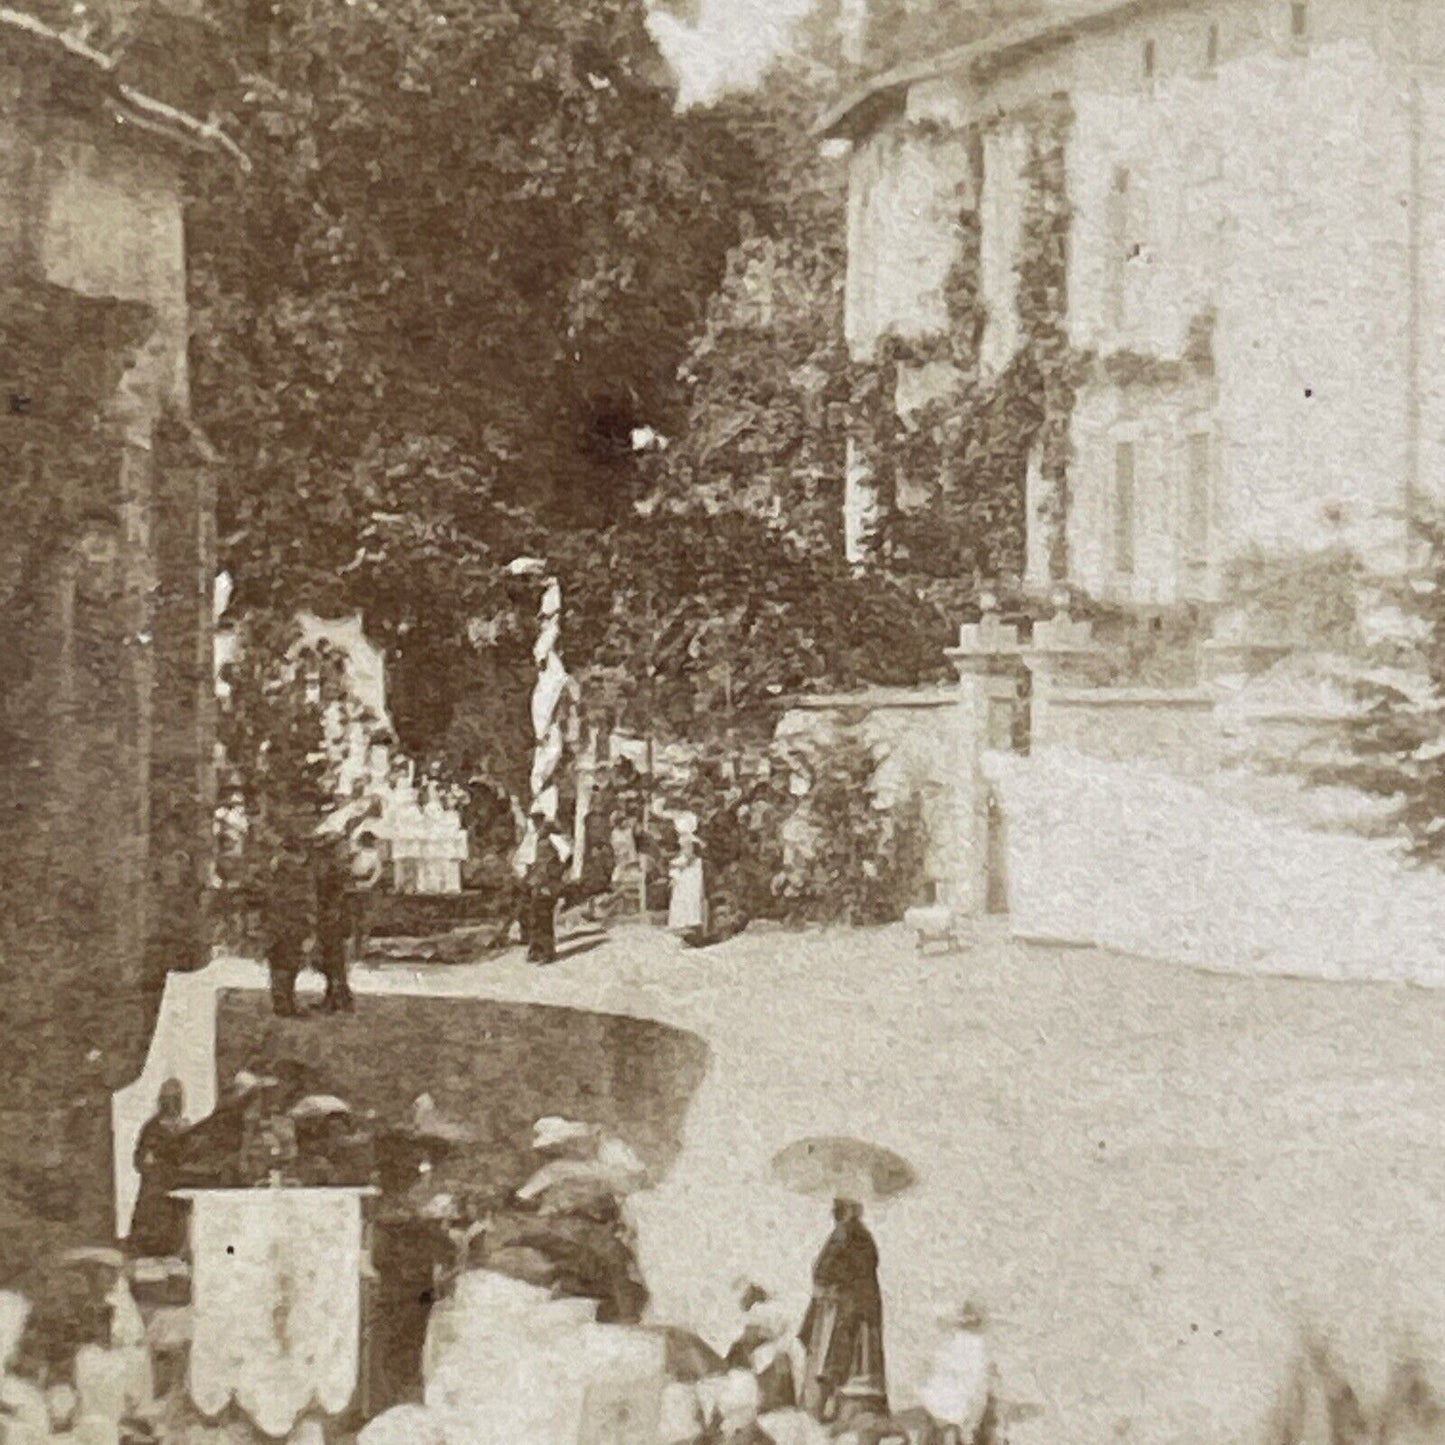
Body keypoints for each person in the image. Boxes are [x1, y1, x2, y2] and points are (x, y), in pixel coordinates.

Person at [798, 1199, 888, 1425]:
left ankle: (830, 1402)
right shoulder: (854, 1235)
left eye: (839, 1206)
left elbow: (825, 1270)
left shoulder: (849, 1235)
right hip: (850, 1308)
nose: (834, 1210)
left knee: (833, 1359)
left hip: (847, 1310)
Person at [129, 1080, 190, 1260]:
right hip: (155, 1193)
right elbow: (141, 1160)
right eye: (169, 1099)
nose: (173, 1104)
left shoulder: (184, 1127)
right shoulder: (152, 1128)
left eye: (176, 1099)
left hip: (177, 1190)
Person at [262, 839, 313, 1018]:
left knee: (280, 966)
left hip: (277, 926)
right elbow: (302, 903)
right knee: (287, 966)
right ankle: (285, 1004)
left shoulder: (274, 870)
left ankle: (284, 1003)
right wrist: (307, 928)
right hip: (289, 925)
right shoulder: (294, 873)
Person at [313, 833, 357, 1014]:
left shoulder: (335, 869)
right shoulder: (335, 868)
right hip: (333, 917)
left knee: (333, 960)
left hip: (334, 918)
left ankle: (335, 999)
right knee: (333, 960)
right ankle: (341, 998)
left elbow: (335, 896)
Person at [524, 818, 569, 964]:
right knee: (534, 917)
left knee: (544, 919)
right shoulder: (538, 841)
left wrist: (556, 874)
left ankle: (547, 952)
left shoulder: (553, 840)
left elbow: (567, 854)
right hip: (537, 883)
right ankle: (536, 950)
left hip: (547, 884)